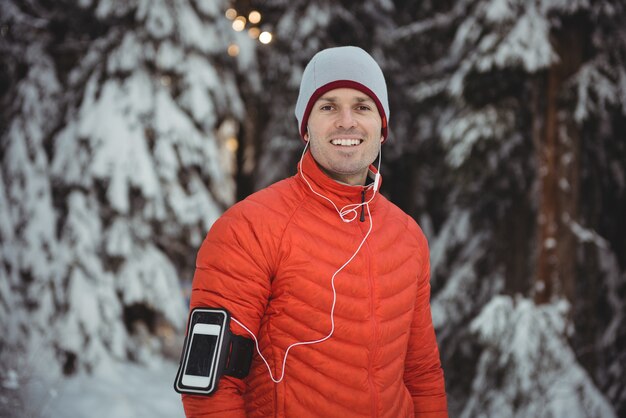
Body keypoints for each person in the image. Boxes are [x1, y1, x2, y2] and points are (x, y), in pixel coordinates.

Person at [181, 46, 448, 417]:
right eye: (327, 106)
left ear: (382, 127)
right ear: (305, 126)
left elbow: (421, 374)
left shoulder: (407, 236)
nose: (346, 122)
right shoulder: (249, 228)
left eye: (362, 106)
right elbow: (208, 385)